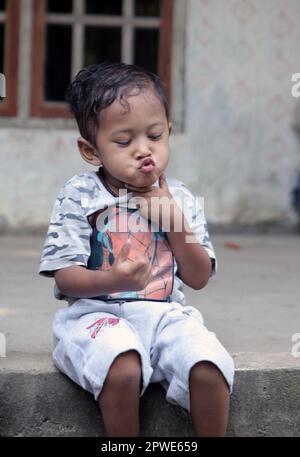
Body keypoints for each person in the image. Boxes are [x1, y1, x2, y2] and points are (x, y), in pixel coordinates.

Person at [39, 62, 234, 437]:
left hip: (165, 317)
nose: (144, 151)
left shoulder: (180, 198)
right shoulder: (80, 195)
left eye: (156, 136)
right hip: (94, 316)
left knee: (208, 364)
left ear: (169, 133)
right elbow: (65, 277)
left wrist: (172, 218)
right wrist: (112, 278)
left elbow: (198, 277)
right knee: (123, 365)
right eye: (124, 142)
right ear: (90, 150)